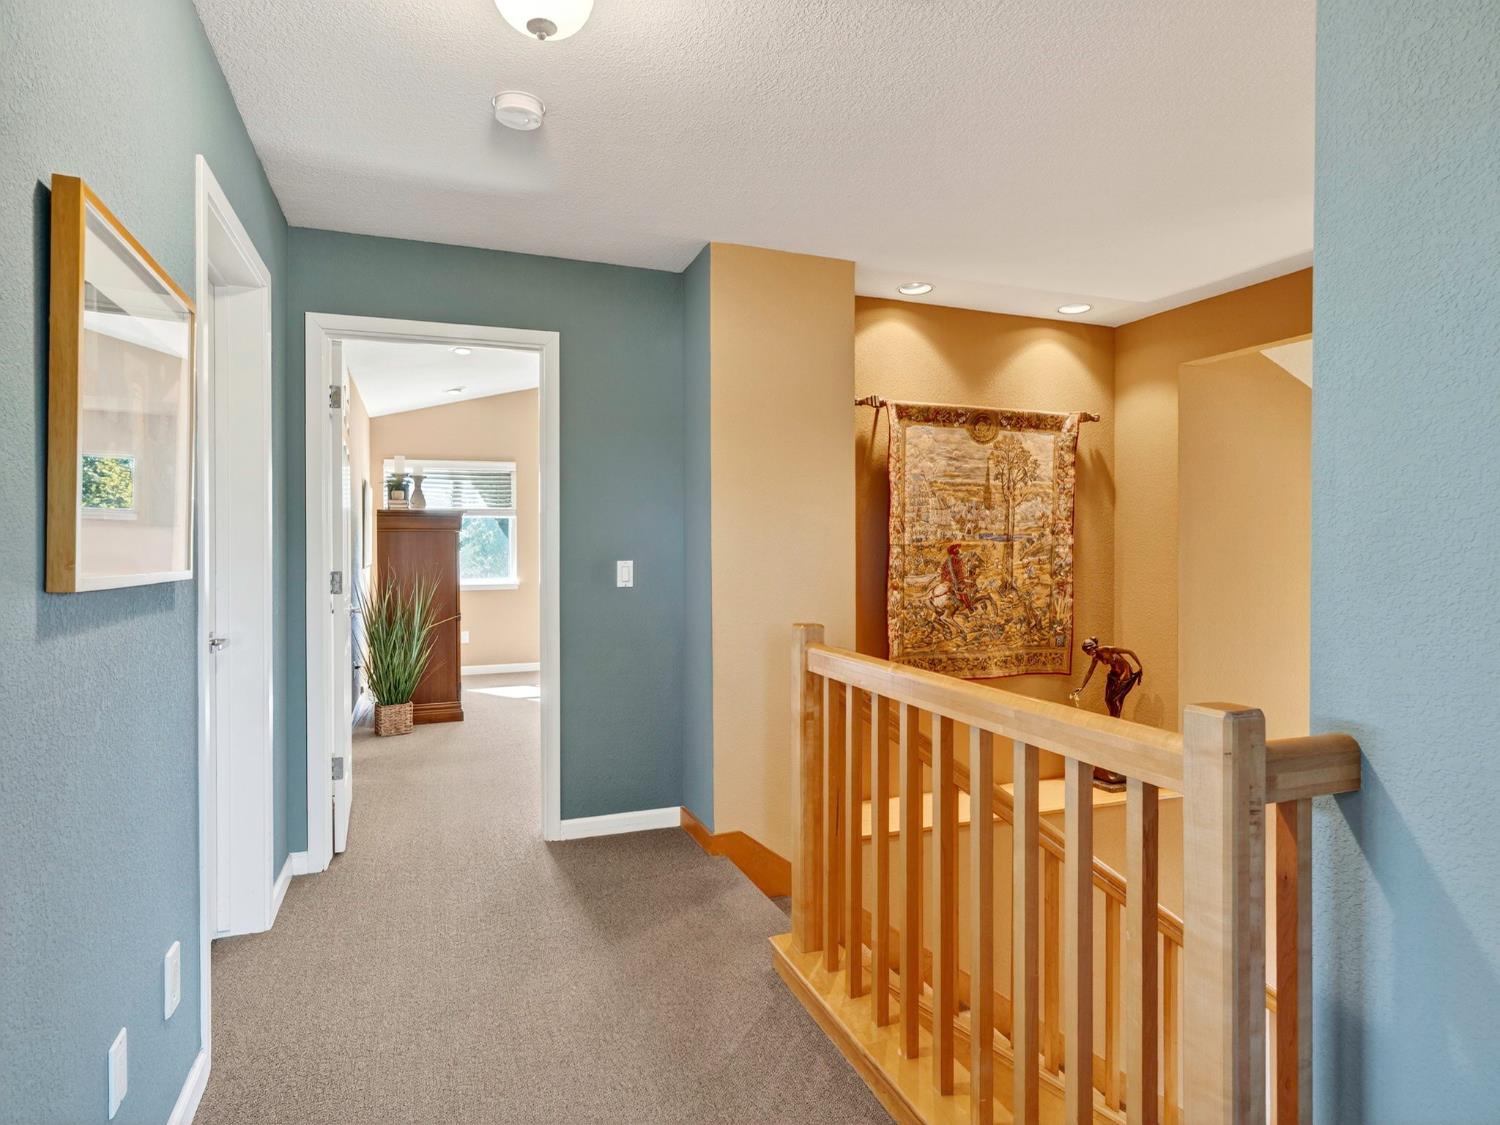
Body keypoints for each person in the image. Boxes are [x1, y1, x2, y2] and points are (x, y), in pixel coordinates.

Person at [1068, 636, 1144, 789]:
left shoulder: (1106, 649)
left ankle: (1114, 728)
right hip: (1114, 676)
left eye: (1089, 650)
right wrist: (1082, 688)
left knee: (1116, 702)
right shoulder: (1096, 657)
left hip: (1124, 674)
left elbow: (1129, 651)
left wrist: (1140, 667)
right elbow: (1090, 672)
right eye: (1087, 652)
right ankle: (1113, 727)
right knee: (1108, 700)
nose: (1090, 654)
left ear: (1094, 647)